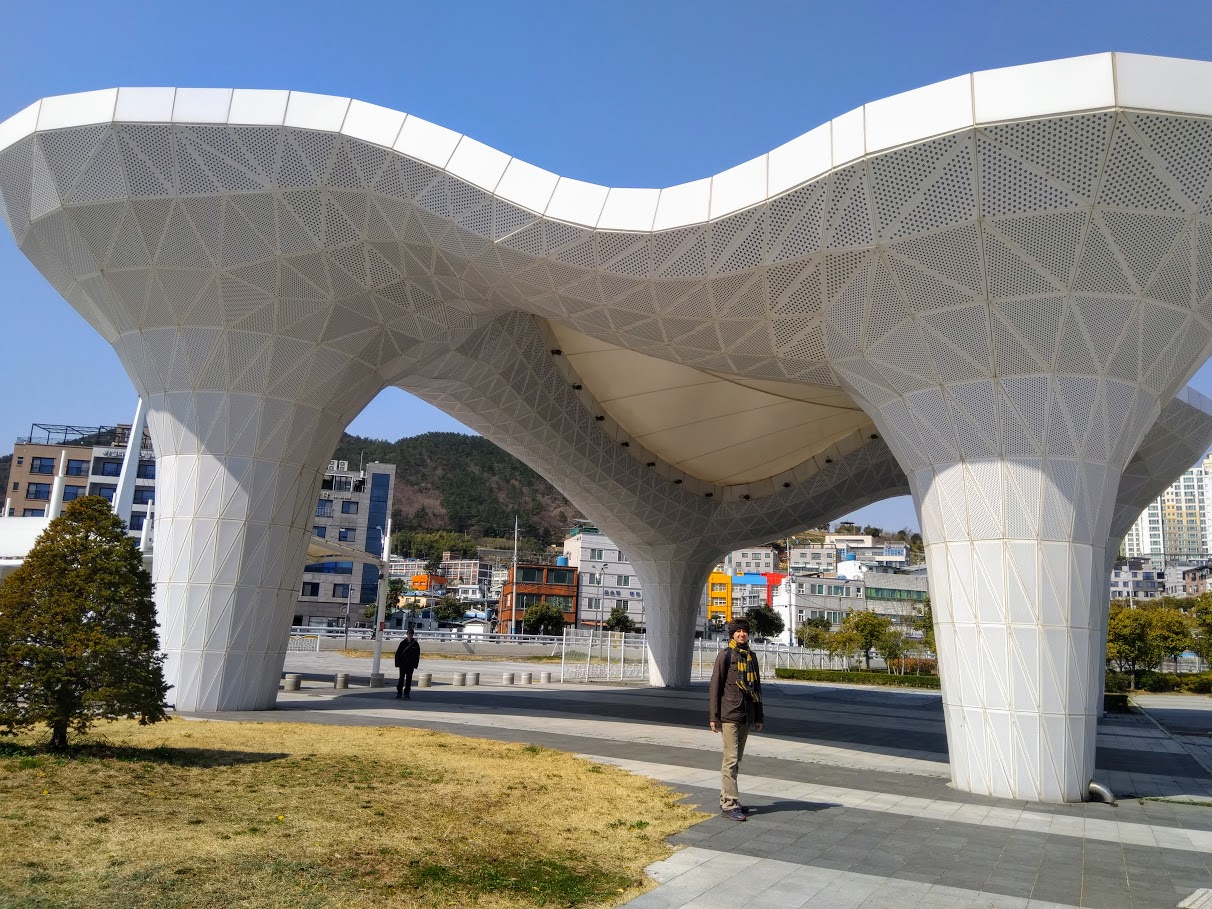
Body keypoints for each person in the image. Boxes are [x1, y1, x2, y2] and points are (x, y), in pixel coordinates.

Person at [708, 617, 763, 821]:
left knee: (736, 759)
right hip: (729, 713)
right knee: (730, 759)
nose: (741, 634)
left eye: (744, 631)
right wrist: (714, 716)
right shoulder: (725, 655)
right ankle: (729, 804)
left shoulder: (752, 657)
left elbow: (757, 688)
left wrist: (759, 716)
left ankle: (728, 798)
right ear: (732, 634)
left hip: (747, 714)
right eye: (738, 631)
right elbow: (715, 687)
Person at [394, 629, 421, 699]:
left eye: (411, 633)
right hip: (403, 664)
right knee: (401, 678)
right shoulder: (403, 643)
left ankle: (407, 693)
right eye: (409, 633)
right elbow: (398, 653)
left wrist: (415, 665)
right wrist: (397, 663)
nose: (410, 635)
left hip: (410, 664)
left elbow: (417, 655)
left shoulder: (415, 644)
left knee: (409, 679)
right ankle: (399, 692)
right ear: (407, 634)